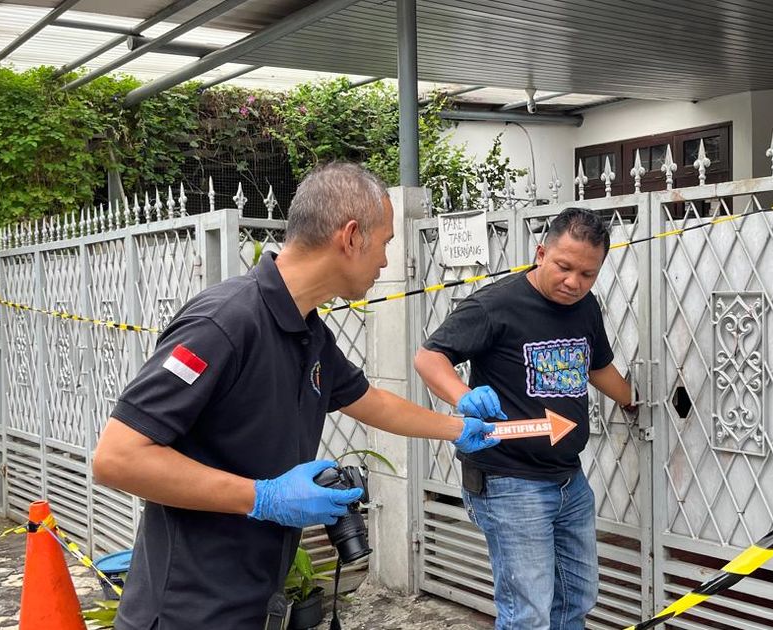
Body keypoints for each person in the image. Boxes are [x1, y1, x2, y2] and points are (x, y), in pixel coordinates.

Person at [91, 162, 499, 630]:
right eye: (385, 243)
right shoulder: (224, 323)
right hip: (187, 609)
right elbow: (117, 458)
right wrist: (264, 497)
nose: (386, 261)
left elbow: (372, 401)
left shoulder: (307, 329)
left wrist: (461, 427)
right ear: (350, 237)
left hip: (254, 600)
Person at [414, 207, 637, 630]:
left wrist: (633, 400)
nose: (574, 283)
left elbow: (596, 366)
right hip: (508, 482)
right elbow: (428, 357)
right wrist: (463, 396)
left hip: (569, 479)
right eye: (564, 267)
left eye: (588, 274)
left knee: (577, 597)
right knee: (528, 613)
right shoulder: (495, 304)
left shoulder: (586, 307)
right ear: (540, 253)